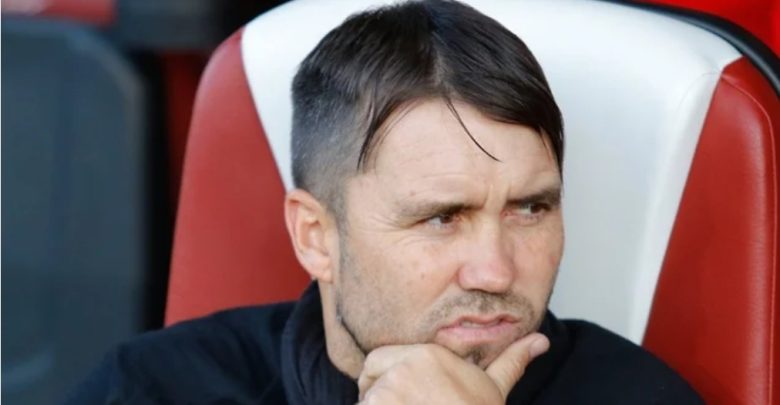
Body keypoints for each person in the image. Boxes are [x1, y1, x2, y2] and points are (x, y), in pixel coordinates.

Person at [65, 0, 703, 403]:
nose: (496, 271)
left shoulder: (639, 396)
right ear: (316, 236)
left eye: (529, 209)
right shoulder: (156, 388)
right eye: (441, 217)